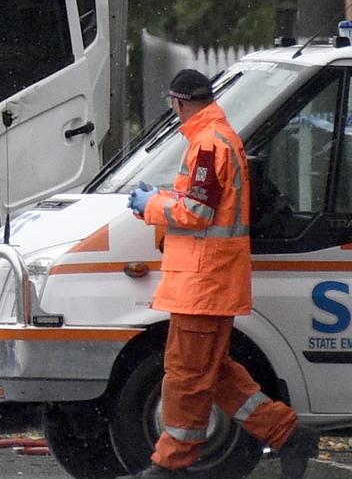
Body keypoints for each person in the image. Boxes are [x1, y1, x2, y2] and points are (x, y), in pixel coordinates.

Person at [126, 69, 319, 479]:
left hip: (202, 283)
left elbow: (195, 212)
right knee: (214, 373)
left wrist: (149, 207)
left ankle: (169, 464)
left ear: (179, 103)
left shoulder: (208, 144)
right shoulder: (217, 138)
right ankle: (287, 433)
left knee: (186, 375)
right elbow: (200, 204)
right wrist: (160, 199)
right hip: (209, 282)